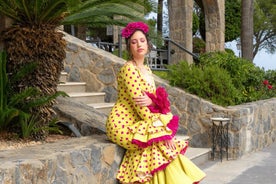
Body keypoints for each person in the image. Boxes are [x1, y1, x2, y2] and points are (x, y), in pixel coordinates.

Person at [106, 21, 206, 184]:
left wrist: (152, 102)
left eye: (142, 40)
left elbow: (153, 104)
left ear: (148, 43)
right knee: (159, 143)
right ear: (129, 47)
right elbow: (141, 107)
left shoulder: (147, 70)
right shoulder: (128, 69)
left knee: (160, 146)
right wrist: (162, 133)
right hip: (122, 123)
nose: (139, 44)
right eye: (134, 42)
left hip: (140, 121)